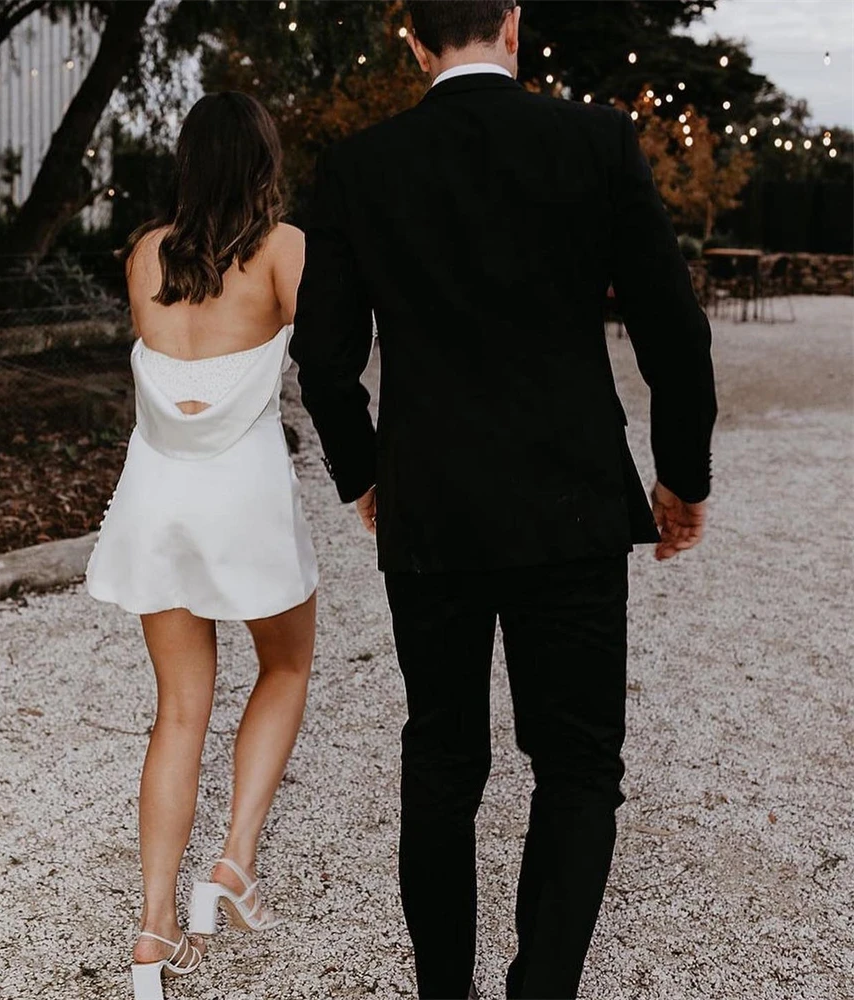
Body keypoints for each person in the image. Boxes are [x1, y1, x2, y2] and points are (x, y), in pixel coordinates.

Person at [290, 2, 717, 998]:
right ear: (512, 25)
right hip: (567, 498)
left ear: (410, 38)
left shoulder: (359, 166)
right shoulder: (595, 140)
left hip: (429, 502)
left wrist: (365, 477)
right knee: (575, 764)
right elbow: (672, 328)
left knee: (440, 757)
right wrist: (680, 474)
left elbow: (322, 361)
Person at [84, 92, 318, 1000]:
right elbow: (331, 355)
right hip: (246, 495)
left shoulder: (145, 252)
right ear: (263, 161)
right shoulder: (285, 250)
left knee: (179, 710)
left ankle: (151, 937)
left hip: (159, 494)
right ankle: (232, 865)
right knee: (287, 668)